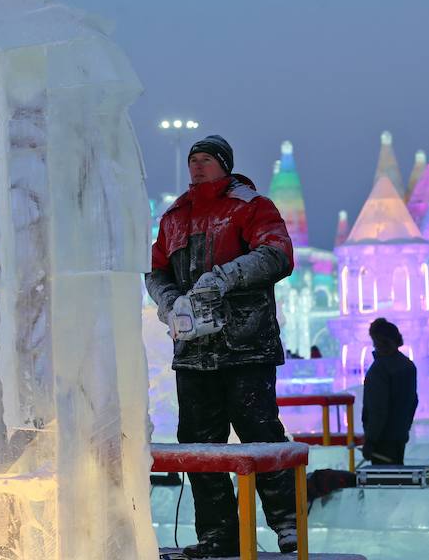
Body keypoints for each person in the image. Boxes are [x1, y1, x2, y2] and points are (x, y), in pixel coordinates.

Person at [145, 135, 297, 558]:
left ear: (225, 165)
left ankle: (287, 523)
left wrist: (222, 278)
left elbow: (277, 254)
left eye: (206, 160)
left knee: (259, 432)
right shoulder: (175, 216)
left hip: (246, 344)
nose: (197, 167)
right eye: (193, 160)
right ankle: (217, 534)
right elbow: (155, 270)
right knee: (198, 442)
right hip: (194, 351)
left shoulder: (251, 207)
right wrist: (168, 300)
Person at [360, 318, 418, 465]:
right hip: (399, 436)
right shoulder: (408, 365)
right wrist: (404, 428)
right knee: (397, 478)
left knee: (383, 482)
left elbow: (378, 409)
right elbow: (413, 402)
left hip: (381, 440)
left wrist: (370, 440)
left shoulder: (380, 369)